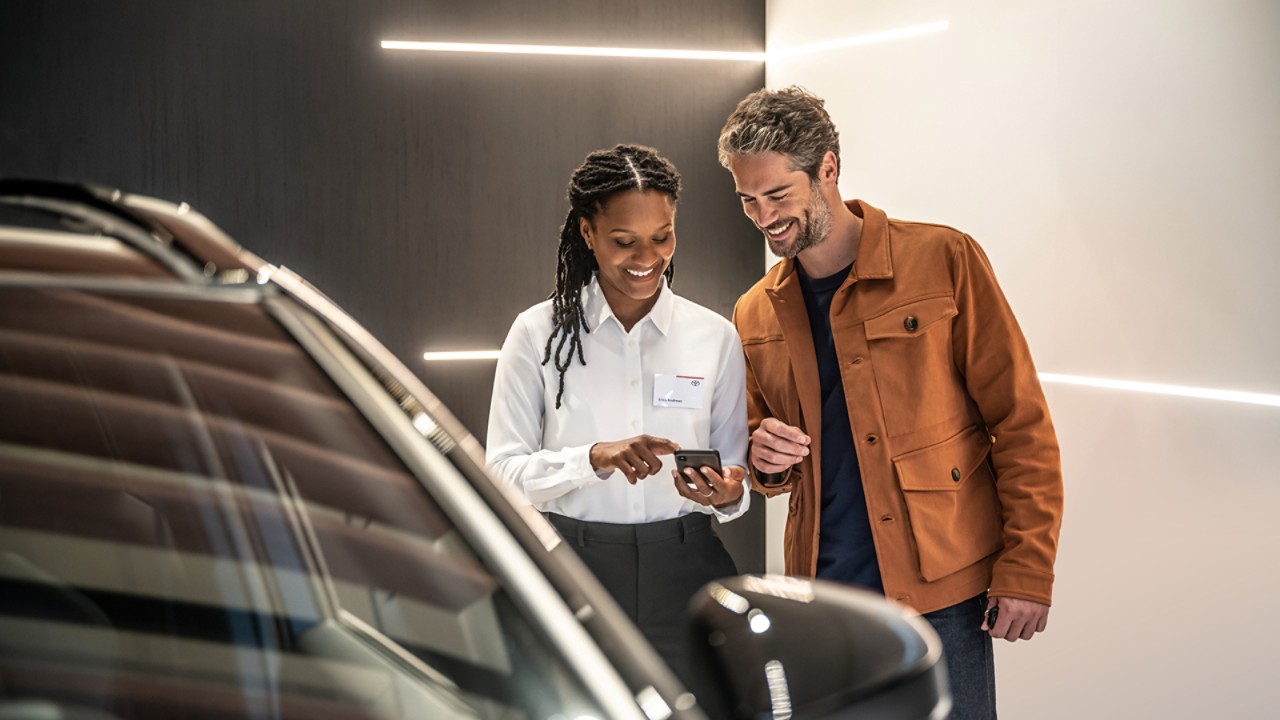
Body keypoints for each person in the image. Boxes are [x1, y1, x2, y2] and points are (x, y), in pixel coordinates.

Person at [717, 87, 1064, 718]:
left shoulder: (942, 259)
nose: (763, 217)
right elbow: (763, 463)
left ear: (827, 168)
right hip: (821, 598)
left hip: (943, 594)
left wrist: (1028, 569)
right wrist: (764, 456)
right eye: (747, 200)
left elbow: (1021, 423)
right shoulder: (753, 310)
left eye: (776, 195)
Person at [486, 144, 750, 678]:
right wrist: (594, 458)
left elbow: (735, 474)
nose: (646, 257)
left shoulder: (715, 337)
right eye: (624, 241)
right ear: (587, 234)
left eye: (662, 237)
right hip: (571, 566)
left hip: (690, 569)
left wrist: (727, 492)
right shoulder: (537, 334)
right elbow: (501, 475)